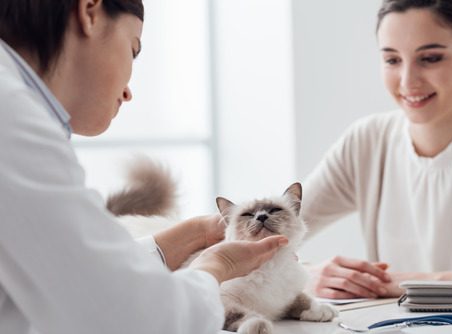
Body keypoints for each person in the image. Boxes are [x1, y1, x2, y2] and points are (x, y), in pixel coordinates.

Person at [0, 1, 288, 334]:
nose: (128, 91)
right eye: (132, 50)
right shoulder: (11, 119)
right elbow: (134, 316)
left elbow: (65, 273)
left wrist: (179, 241)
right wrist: (218, 265)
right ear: (90, 11)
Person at [301, 0, 452, 300]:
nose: (408, 81)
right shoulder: (366, 141)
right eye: (392, 60)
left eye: (430, 58)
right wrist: (304, 277)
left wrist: (419, 282)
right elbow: (254, 240)